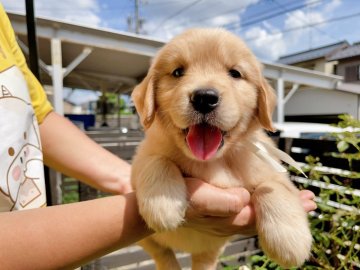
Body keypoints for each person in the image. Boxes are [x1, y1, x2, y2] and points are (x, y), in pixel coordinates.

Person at [0, 3, 316, 269]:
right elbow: (144, 174)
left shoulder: (256, 153)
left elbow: (38, 114)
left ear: (262, 99)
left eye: (235, 73)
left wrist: (273, 197)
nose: (204, 90)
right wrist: (155, 175)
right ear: (148, 96)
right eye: (178, 72)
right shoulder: (159, 148)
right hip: (156, 243)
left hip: (206, 250)